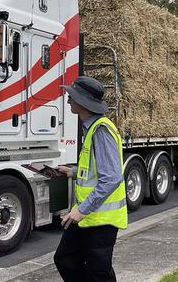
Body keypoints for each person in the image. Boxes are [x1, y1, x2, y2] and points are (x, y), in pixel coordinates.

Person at [54, 76, 128, 282]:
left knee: (99, 272)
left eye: (71, 97)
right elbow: (96, 169)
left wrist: (81, 210)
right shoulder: (92, 128)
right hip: (88, 216)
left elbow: (112, 178)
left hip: (100, 219)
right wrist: (73, 172)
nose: (68, 101)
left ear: (82, 102)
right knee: (65, 259)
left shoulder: (101, 130)